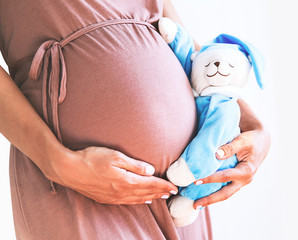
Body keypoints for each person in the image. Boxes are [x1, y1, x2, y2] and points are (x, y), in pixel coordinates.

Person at [0, 0, 270, 239]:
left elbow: (172, 30)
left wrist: (250, 123)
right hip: (78, 180)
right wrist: (56, 163)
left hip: (183, 191)